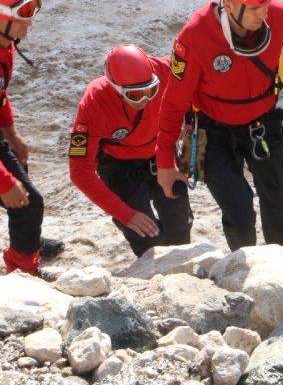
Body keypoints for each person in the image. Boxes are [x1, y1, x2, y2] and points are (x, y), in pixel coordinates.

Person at [155, 0, 283, 252]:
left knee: (278, 205)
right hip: (214, 133)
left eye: (266, 4)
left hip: (263, 124)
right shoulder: (195, 37)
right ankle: (243, 265)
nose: (264, 14)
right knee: (239, 212)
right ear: (229, 3)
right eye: (256, 7)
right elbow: (174, 102)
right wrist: (165, 161)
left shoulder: (281, 19)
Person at [69, 44, 193, 257]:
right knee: (149, 239)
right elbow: (80, 171)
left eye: (151, 90)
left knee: (180, 229)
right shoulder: (93, 103)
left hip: (161, 153)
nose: (145, 99)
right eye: (135, 95)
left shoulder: (167, 69)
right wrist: (124, 214)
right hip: (119, 166)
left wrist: (190, 152)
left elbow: (199, 83)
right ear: (116, 89)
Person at [0, 0, 45, 275]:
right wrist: (4, 181)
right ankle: (21, 272)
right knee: (26, 201)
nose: (30, 21)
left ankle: (25, 244)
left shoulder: (6, 45)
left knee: (28, 201)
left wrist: (11, 134)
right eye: (23, 13)